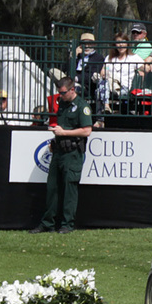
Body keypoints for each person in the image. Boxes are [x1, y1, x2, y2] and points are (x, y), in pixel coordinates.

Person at [31, 78, 94, 233]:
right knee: (52, 188)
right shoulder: (62, 104)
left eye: (63, 92)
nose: (61, 95)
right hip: (58, 150)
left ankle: (67, 224)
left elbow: (87, 130)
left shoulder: (82, 106)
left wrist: (64, 133)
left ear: (72, 90)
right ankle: (48, 223)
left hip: (72, 153)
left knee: (69, 189)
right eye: (59, 92)